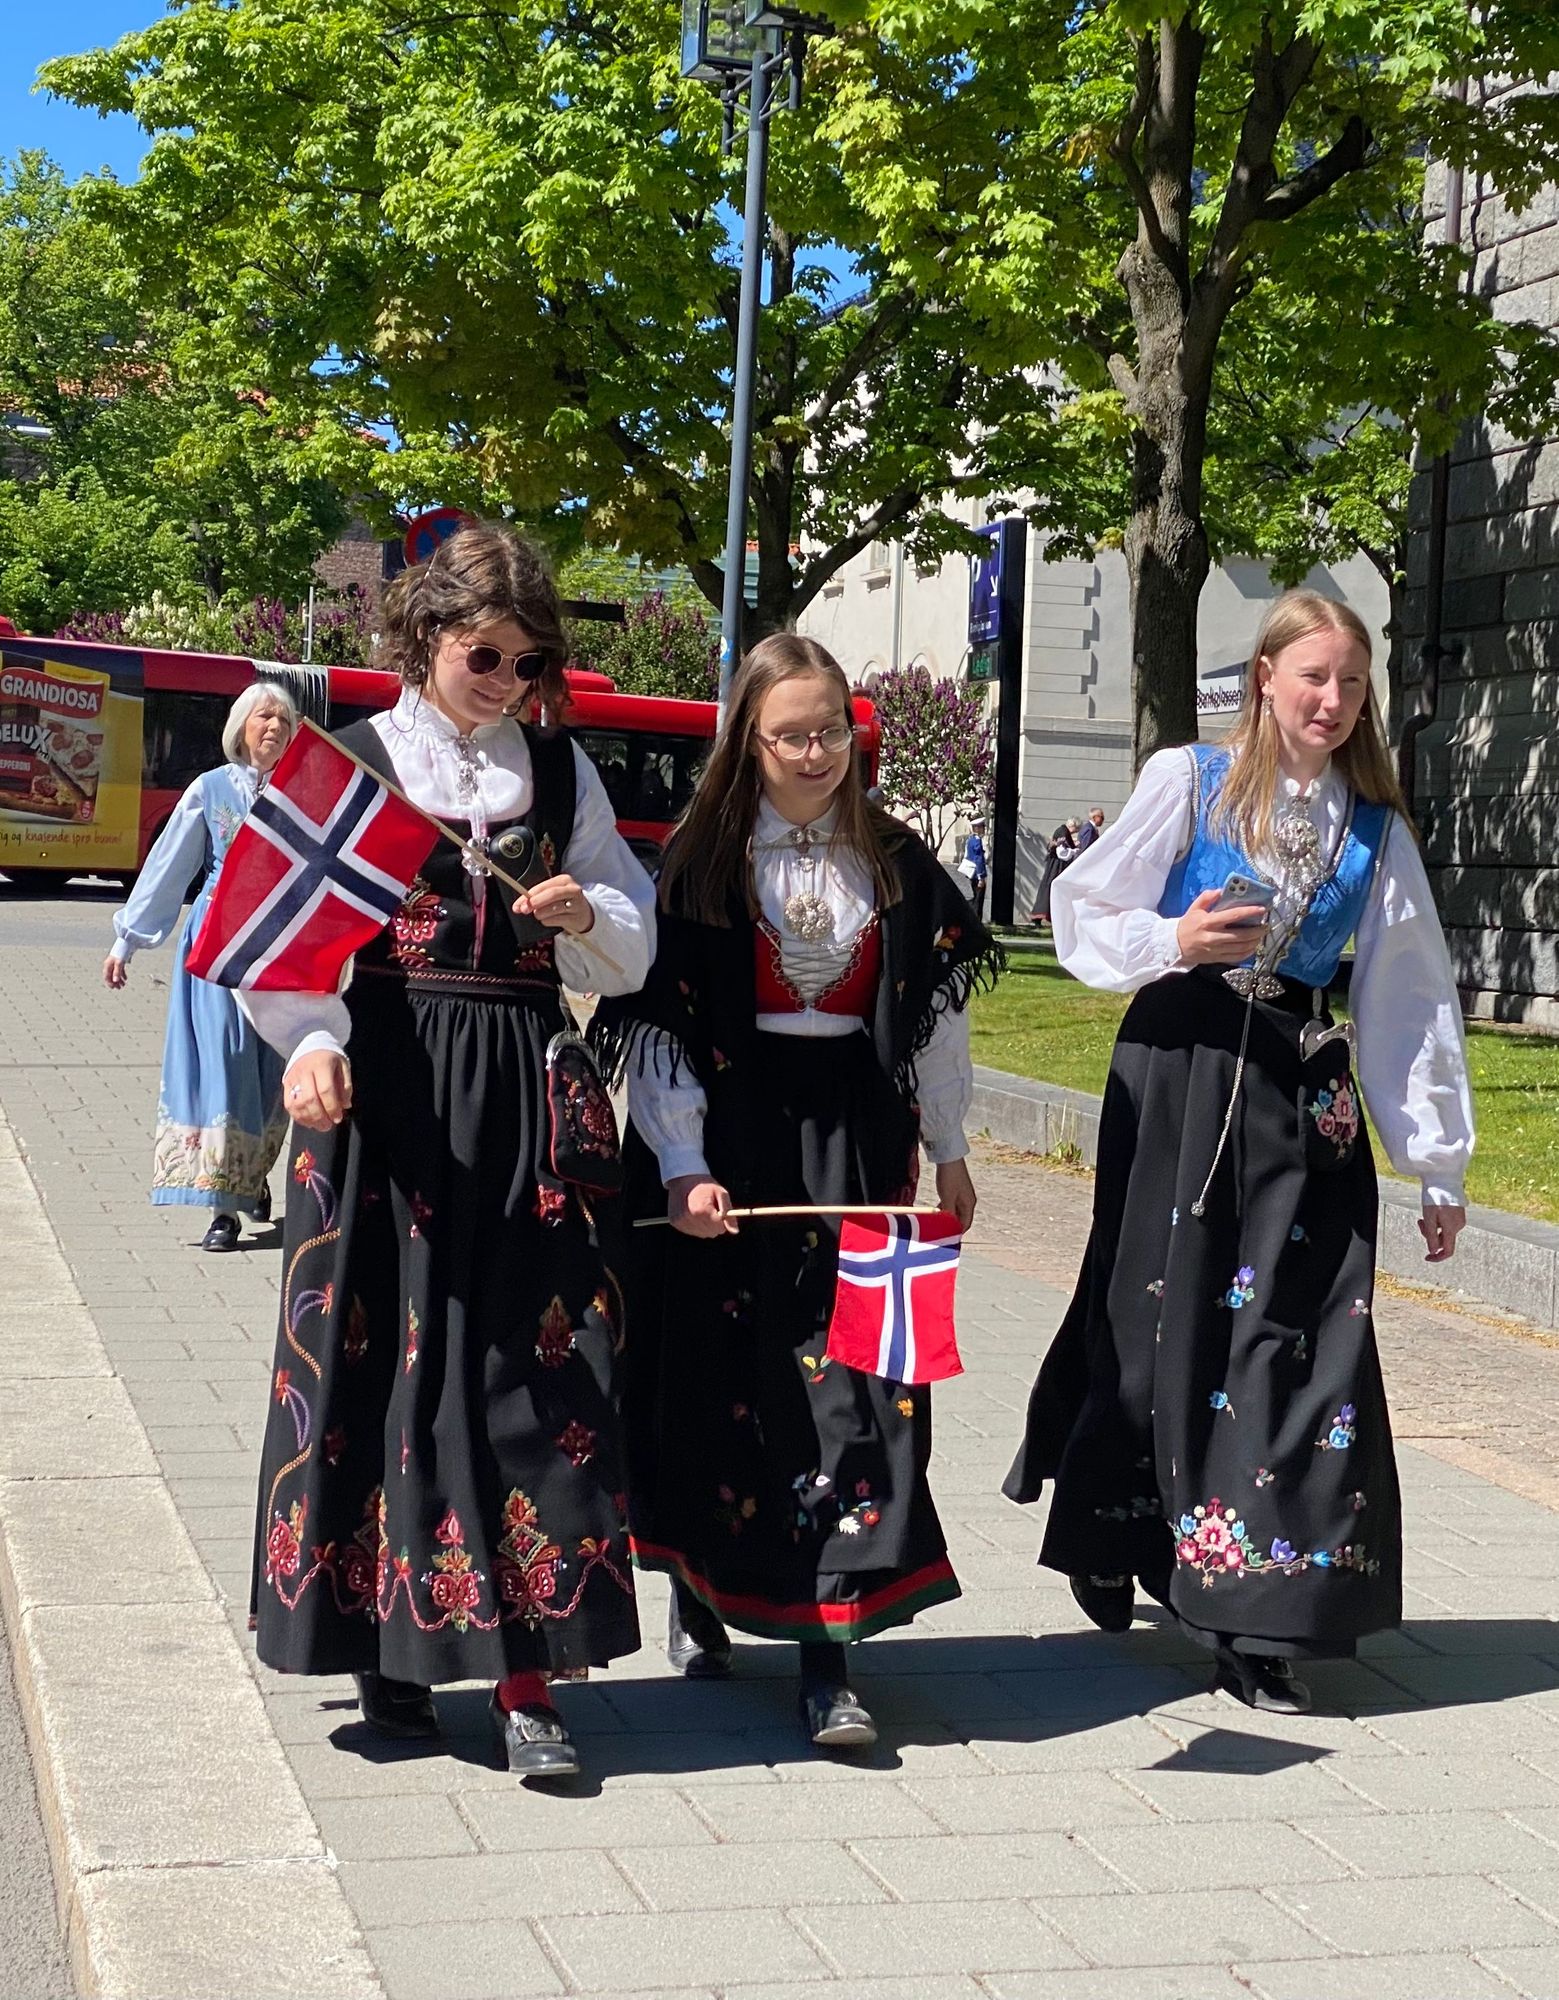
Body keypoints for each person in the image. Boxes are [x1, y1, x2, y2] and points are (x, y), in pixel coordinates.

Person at [1003, 590, 1473, 1715]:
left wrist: (1436, 1160)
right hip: (1180, 1064)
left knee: (1293, 1331)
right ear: (1264, 677)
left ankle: (1254, 1612)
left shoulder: (1373, 827)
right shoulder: (1189, 780)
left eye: (1349, 682)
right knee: (1152, 1313)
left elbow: (1409, 995)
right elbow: (1080, 907)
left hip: (1297, 1085)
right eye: (1312, 676)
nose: (1331, 700)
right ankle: (1114, 1527)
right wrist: (1173, 937)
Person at [244, 524, 657, 1783]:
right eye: (487, 655)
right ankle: (393, 1649)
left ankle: (530, 1676)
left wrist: (587, 915)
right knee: (383, 1365)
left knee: (533, 1370)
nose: (509, 683)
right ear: (425, 635)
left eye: (530, 663)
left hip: (523, 1093)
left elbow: (631, 941)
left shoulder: (561, 771)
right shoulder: (350, 763)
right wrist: (311, 1042)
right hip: (388, 1089)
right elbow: (274, 933)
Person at [595, 634, 1001, 1750]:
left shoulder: (897, 861)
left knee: (860, 1384)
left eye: (831, 731)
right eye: (791, 735)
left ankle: (832, 1652)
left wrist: (951, 1149)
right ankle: (703, 1587)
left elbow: (934, 1017)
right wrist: (683, 1164)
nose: (815, 753)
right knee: (727, 1378)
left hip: (860, 1142)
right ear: (749, 741)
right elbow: (665, 1031)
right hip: (729, 1135)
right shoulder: (700, 863)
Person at [103, 683, 298, 1251]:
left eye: (284, 720)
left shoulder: (304, 794)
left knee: (270, 1075)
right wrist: (127, 941)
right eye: (265, 717)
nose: (275, 727)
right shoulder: (209, 790)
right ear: (241, 726)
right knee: (224, 1065)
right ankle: (223, 1208)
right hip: (216, 948)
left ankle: (251, 1174)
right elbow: (169, 866)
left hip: (280, 950)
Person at [1030, 818, 1081, 925]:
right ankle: (1040, 916)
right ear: (1073, 826)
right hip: (1056, 866)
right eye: (1076, 829)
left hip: (1055, 864)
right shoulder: (1063, 832)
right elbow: (1061, 852)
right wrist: (1074, 851)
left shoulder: (1062, 831)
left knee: (1050, 888)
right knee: (1051, 888)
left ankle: (1044, 916)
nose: (1076, 831)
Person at [961, 815, 989, 919]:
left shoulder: (970, 839)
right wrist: (981, 877)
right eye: (982, 827)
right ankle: (976, 919)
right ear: (977, 828)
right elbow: (979, 859)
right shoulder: (977, 841)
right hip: (977, 874)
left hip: (972, 873)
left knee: (976, 897)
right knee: (978, 900)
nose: (983, 829)